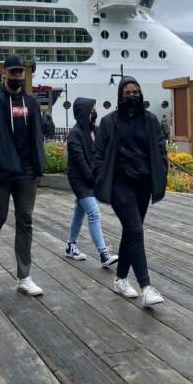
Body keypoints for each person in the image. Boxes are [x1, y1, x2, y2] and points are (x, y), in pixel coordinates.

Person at [0, 54, 46, 296]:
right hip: (1, 172)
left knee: (25, 220)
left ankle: (24, 276)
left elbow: (37, 134)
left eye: (20, 72)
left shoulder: (32, 102)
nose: (17, 76)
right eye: (13, 72)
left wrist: (38, 164)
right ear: (4, 73)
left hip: (26, 172)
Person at [93, 77, 167, 307]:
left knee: (131, 230)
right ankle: (146, 287)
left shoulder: (151, 121)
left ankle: (121, 279)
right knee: (135, 229)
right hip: (119, 183)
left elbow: (160, 148)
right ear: (120, 96)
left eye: (136, 91)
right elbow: (98, 154)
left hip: (143, 183)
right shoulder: (109, 122)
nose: (132, 95)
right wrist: (100, 176)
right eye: (128, 92)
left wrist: (162, 168)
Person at [64, 97, 118, 267]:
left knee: (80, 212)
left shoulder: (95, 130)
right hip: (79, 179)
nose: (94, 112)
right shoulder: (75, 135)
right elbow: (79, 161)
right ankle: (103, 253)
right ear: (83, 113)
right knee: (93, 212)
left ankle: (71, 246)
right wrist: (95, 179)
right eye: (92, 109)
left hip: (92, 177)